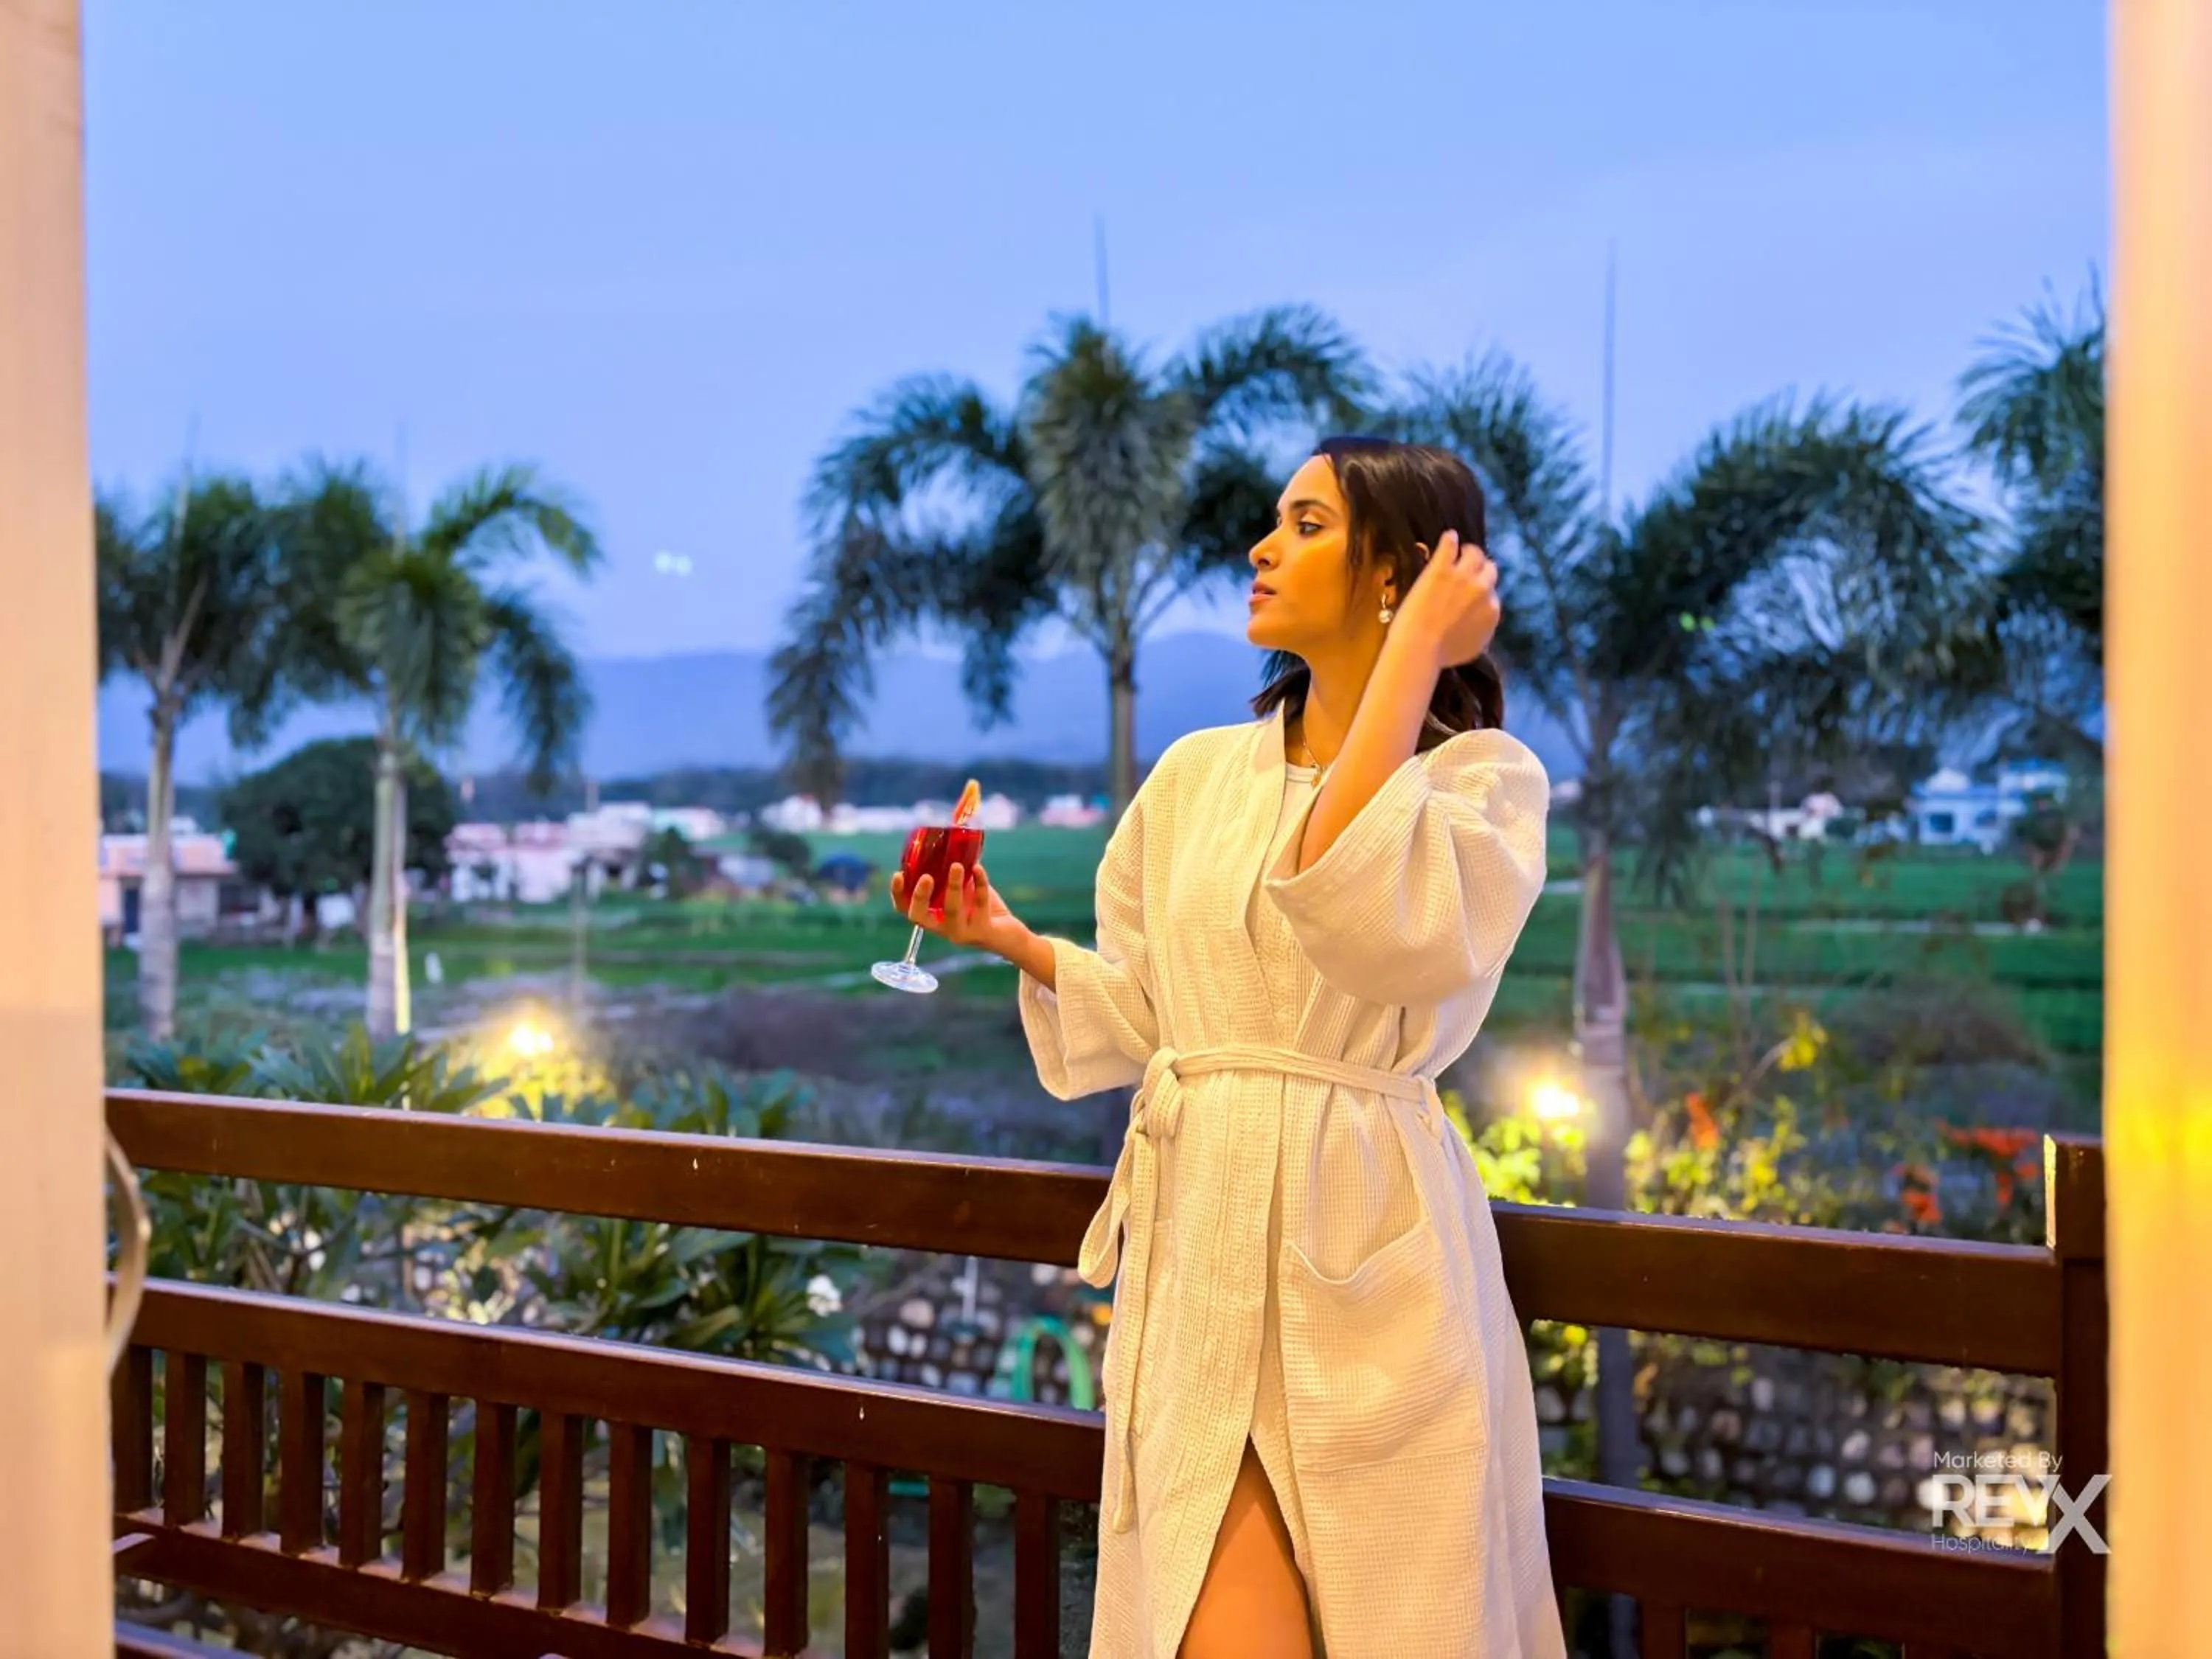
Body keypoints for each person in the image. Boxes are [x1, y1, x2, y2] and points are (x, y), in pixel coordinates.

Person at [891, 437, 1565, 1658]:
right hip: (1201, 1249)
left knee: (1400, 1612)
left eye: (1307, 524)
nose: (1262, 547)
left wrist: (1413, 654)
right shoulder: (1199, 776)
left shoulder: (1482, 784)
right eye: (1273, 520)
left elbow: (1355, 905)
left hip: (1371, 1239)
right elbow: (1164, 1016)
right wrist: (1009, 939)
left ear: (1394, 573)